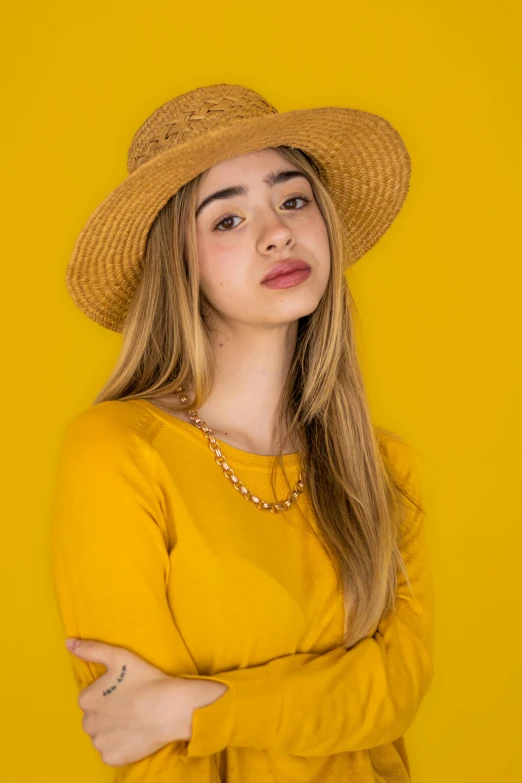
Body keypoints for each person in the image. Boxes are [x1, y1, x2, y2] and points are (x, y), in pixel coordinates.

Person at [49, 82, 435, 782]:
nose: (277, 231)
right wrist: (184, 715)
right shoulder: (119, 453)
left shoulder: (379, 467)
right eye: (226, 220)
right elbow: (141, 738)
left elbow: (394, 693)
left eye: (293, 199)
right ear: (180, 264)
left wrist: (198, 710)